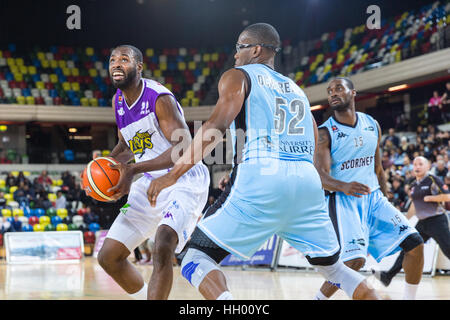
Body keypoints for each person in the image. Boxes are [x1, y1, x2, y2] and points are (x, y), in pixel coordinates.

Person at [147, 23, 379, 300]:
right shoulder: (297, 90)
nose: (234, 55)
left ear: (255, 50)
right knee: (336, 271)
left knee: (194, 257)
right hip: (306, 184)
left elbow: (215, 127)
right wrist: (240, 170)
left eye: (238, 48)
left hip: (261, 179)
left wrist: (171, 175)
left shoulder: (238, 75)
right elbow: (305, 146)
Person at [95, 45, 209, 300]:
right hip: (149, 181)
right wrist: (102, 170)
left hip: (183, 178)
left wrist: (133, 168)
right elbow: (127, 146)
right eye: (112, 59)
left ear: (138, 66)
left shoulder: (158, 98)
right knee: (109, 257)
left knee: (163, 245)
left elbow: (184, 149)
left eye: (124, 59)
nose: (116, 64)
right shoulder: (118, 101)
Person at [314, 77, 424, 300]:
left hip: (375, 199)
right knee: (354, 261)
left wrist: (384, 197)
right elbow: (319, 175)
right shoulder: (325, 133)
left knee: (415, 244)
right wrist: (343, 186)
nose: (332, 93)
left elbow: (378, 168)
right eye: (329, 91)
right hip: (343, 201)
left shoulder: (372, 124)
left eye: (338, 89)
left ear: (353, 93)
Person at [373, 156, 450, 285]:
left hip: (437, 221)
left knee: (448, 250)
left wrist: (430, 198)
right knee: (408, 248)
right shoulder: (414, 185)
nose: (417, 167)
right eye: (415, 165)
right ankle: (387, 277)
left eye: (420, 164)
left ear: (428, 166)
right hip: (422, 223)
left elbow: (447, 196)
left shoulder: (432, 179)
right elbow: (414, 207)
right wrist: (403, 221)